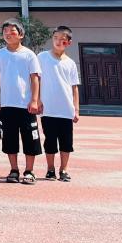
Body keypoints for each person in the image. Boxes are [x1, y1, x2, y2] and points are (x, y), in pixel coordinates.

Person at [0, 19, 43, 185]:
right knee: (9, 139)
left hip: (26, 105)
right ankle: (14, 170)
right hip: (7, 105)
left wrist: (34, 100)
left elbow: (35, 78)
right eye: (5, 31)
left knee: (30, 138)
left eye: (12, 31)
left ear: (21, 35)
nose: (8, 34)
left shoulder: (29, 55)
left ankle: (29, 171)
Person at [38, 26, 80, 182]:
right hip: (48, 109)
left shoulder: (70, 63)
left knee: (66, 143)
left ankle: (64, 170)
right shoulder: (42, 57)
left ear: (68, 42)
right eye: (55, 38)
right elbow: (36, 79)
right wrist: (37, 99)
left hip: (66, 110)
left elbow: (74, 87)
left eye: (62, 39)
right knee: (49, 141)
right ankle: (50, 169)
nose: (57, 41)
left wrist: (76, 109)